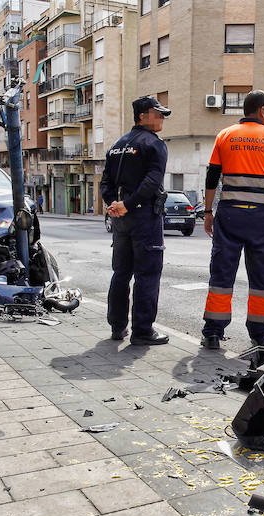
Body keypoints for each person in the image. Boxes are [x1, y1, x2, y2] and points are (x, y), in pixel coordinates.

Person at [201, 90, 264, 350]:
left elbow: (212, 177)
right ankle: (260, 335)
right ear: (262, 110)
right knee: (261, 277)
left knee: (221, 274)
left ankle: (214, 332)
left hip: (229, 214)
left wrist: (208, 212)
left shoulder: (225, 135)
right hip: (261, 217)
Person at [98, 96, 171, 345]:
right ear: (142, 115)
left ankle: (118, 327)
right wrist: (127, 205)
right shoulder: (155, 145)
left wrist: (113, 206)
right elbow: (152, 182)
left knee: (120, 273)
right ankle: (142, 331)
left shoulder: (117, 145)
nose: (162, 117)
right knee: (147, 274)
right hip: (144, 217)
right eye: (157, 113)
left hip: (121, 219)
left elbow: (105, 181)